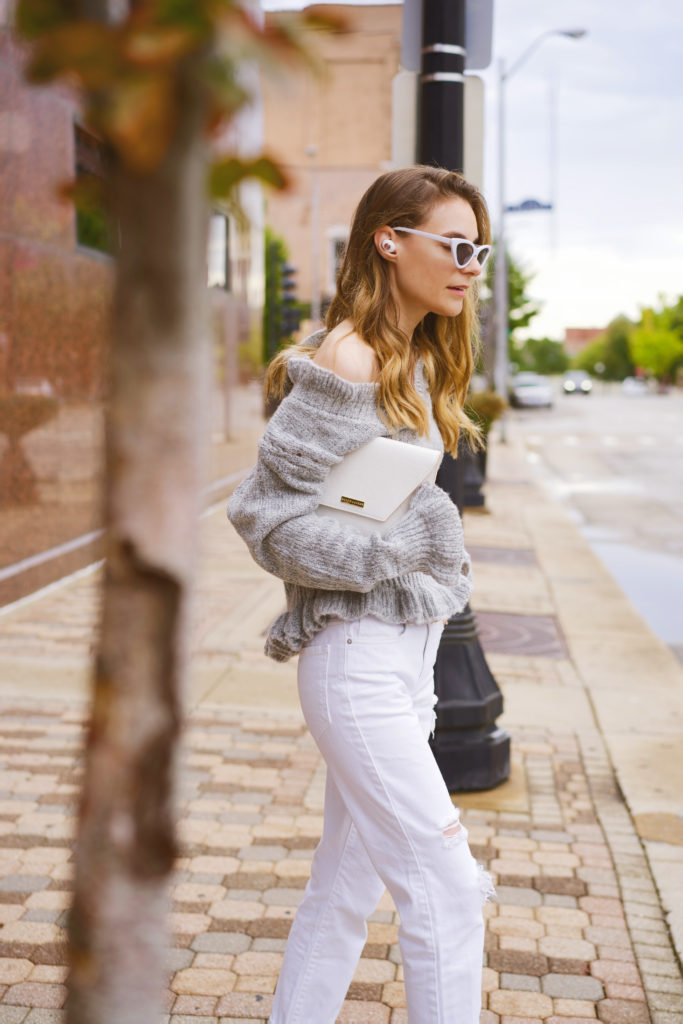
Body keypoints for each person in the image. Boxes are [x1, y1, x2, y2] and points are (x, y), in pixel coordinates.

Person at [227, 165, 494, 1024]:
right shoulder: (350, 356)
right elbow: (266, 519)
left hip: (399, 666)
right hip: (358, 666)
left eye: (478, 251)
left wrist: (406, 548)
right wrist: (403, 544)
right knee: (447, 891)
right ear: (390, 240)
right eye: (454, 246)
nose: (469, 266)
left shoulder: (406, 359)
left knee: (345, 895)